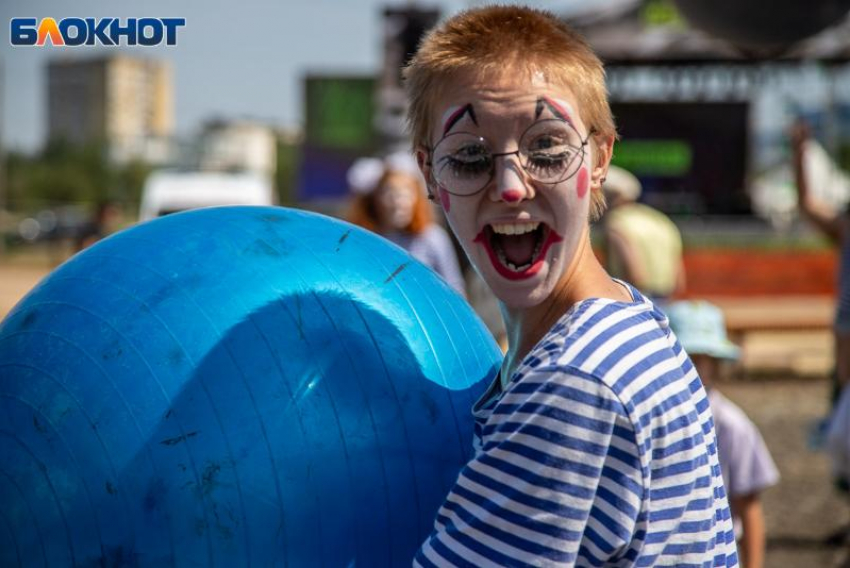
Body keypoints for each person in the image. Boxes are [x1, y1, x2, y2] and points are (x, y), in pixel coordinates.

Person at [403, 5, 738, 566]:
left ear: (601, 156)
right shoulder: (631, 322)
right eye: (468, 157)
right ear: (430, 176)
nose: (511, 187)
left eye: (548, 150)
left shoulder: (572, 383)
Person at [666, 301, 779, 568]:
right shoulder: (660, 417)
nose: (690, 366)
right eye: (683, 356)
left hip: (715, 553)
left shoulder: (732, 426)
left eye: (697, 358)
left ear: (714, 363)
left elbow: (749, 508)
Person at [347, 152, 466, 296]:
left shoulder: (433, 238)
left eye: (406, 193)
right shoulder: (362, 241)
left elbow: (455, 289)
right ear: (374, 199)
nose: (399, 201)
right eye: (390, 193)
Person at [601, 165, 686, 301]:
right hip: (665, 298)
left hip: (634, 298)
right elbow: (679, 280)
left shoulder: (616, 223)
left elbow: (634, 273)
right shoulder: (660, 220)